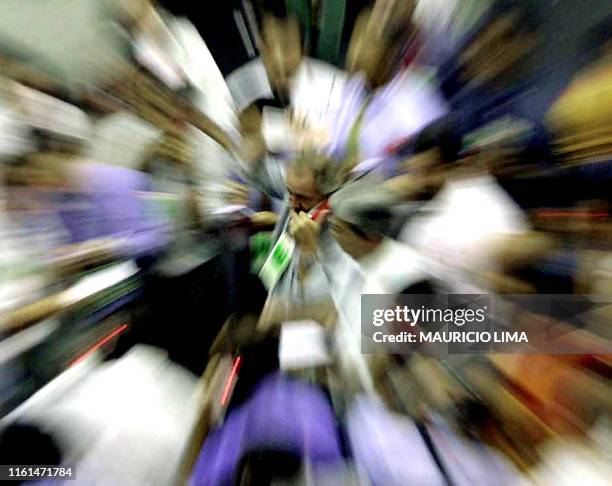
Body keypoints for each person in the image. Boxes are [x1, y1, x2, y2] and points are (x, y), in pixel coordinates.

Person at [327, 5, 447, 175]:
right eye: (356, 38)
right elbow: (336, 141)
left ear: (392, 52)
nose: (356, 51)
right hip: (337, 183)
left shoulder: (417, 105)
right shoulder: (355, 85)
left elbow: (413, 171)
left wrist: (361, 167)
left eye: (367, 42)